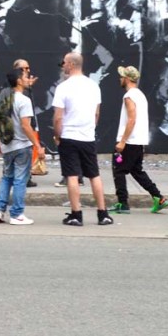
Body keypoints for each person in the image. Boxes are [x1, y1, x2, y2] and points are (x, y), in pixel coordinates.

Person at [52, 52, 112, 226]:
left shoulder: (63, 87)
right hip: (87, 136)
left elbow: (58, 117)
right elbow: (96, 112)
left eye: (64, 63)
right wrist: (90, 128)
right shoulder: (93, 86)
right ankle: (103, 213)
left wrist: (57, 135)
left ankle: (76, 214)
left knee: (71, 175)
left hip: (69, 135)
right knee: (94, 174)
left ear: (70, 64)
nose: (62, 65)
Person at [109, 66, 168, 214]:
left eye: (122, 77)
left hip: (129, 141)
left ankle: (123, 203)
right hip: (139, 141)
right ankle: (158, 197)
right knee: (137, 171)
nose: (120, 79)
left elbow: (132, 119)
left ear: (127, 79)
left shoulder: (129, 96)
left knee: (118, 171)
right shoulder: (140, 95)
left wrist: (122, 141)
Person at [0, 69, 41, 225]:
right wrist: (37, 145)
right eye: (26, 77)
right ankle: (17, 214)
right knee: (20, 180)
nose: (28, 79)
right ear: (19, 81)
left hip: (7, 144)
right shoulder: (24, 101)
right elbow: (26, 126)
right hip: (22, 146)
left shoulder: (3, 98)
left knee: (7, 178)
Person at [13, 58, 48, 187]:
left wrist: (28, 86)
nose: (27, 71)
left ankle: (25, 175)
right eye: (24, 69)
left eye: (28, 68)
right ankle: (23, 177)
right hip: (20, 123)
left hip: (29, 120)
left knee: (28, 149)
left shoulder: (26, 86)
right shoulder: (14, 88)